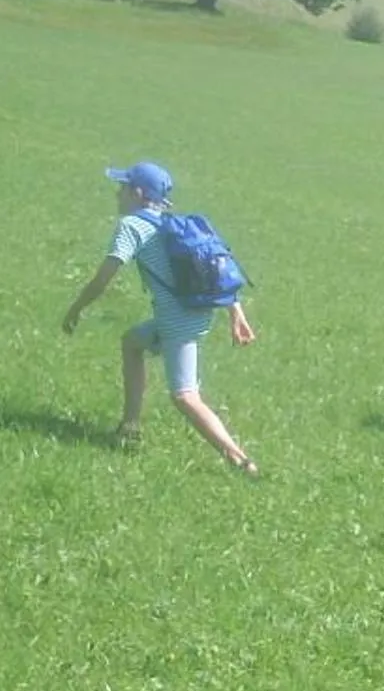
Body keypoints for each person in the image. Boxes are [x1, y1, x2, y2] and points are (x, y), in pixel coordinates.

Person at [61, 160, 261, 476]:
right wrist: (236, 312)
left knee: (185, 396)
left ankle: (240, 461)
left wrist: (76, 308)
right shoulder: (170, 224)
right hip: (195, 313)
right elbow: (213, 269)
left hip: (178, 321)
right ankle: (129, 426)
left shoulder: (132, 226)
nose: (117, 194)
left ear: (138, 193)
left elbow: (103, 278)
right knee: (132, 343)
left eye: (123, 188)